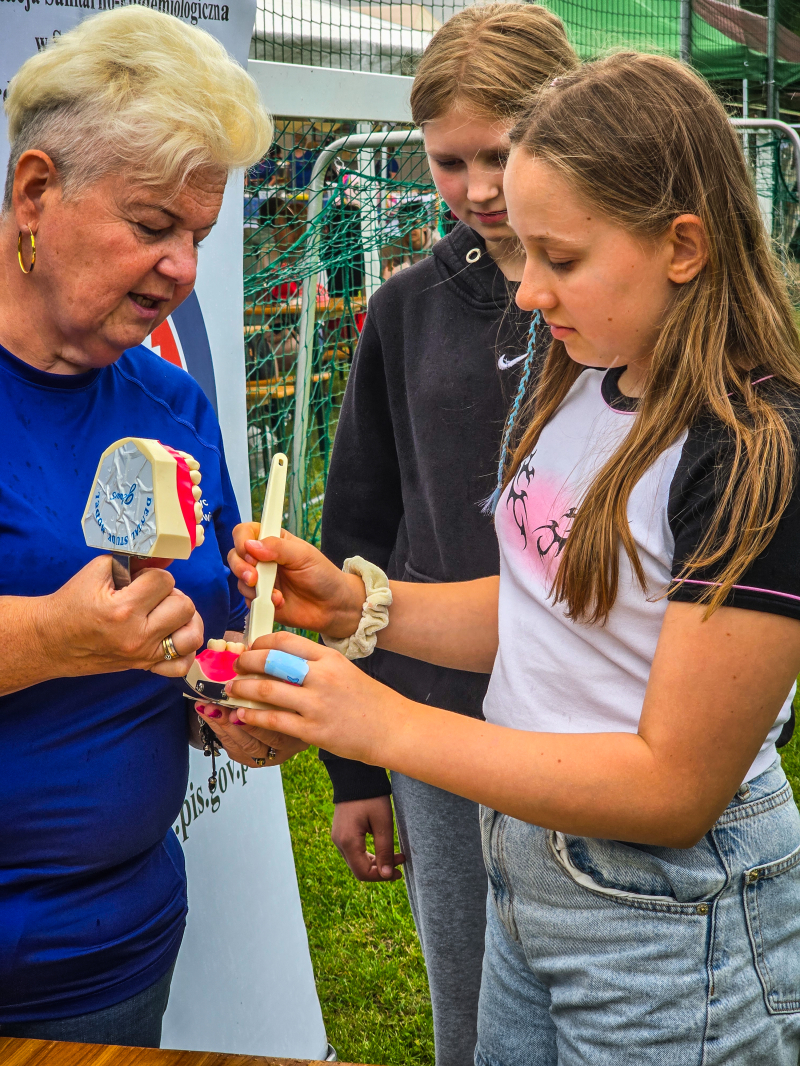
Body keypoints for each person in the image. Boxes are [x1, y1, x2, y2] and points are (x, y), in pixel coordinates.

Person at [224, 52, 800, 1065]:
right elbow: (553, 604)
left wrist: (383, 721)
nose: (527, 292)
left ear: (681, 246)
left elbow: (673, 785)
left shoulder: (750, 445)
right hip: (528, 864)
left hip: (672, 922)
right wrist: (364, 605)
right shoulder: (591, 369)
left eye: (559, 257)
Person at [0, 8, 301, 1048]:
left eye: (199, 238)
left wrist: (232, 702)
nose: (181, 268)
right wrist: (49, 637)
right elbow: (78, 633)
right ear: (36, 191)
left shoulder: (167, 400)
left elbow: (189, 645)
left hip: (114, 946)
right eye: (150, 224)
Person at [319, 8, 575, 1065]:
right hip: (435, 719)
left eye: (501, 152)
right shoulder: (403, 309)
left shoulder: (622, 300)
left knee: (596, 994)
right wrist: (354, 767)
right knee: (468, 1011)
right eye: (449, 161)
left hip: (583, 729)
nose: (477, 187)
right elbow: (355, 530)